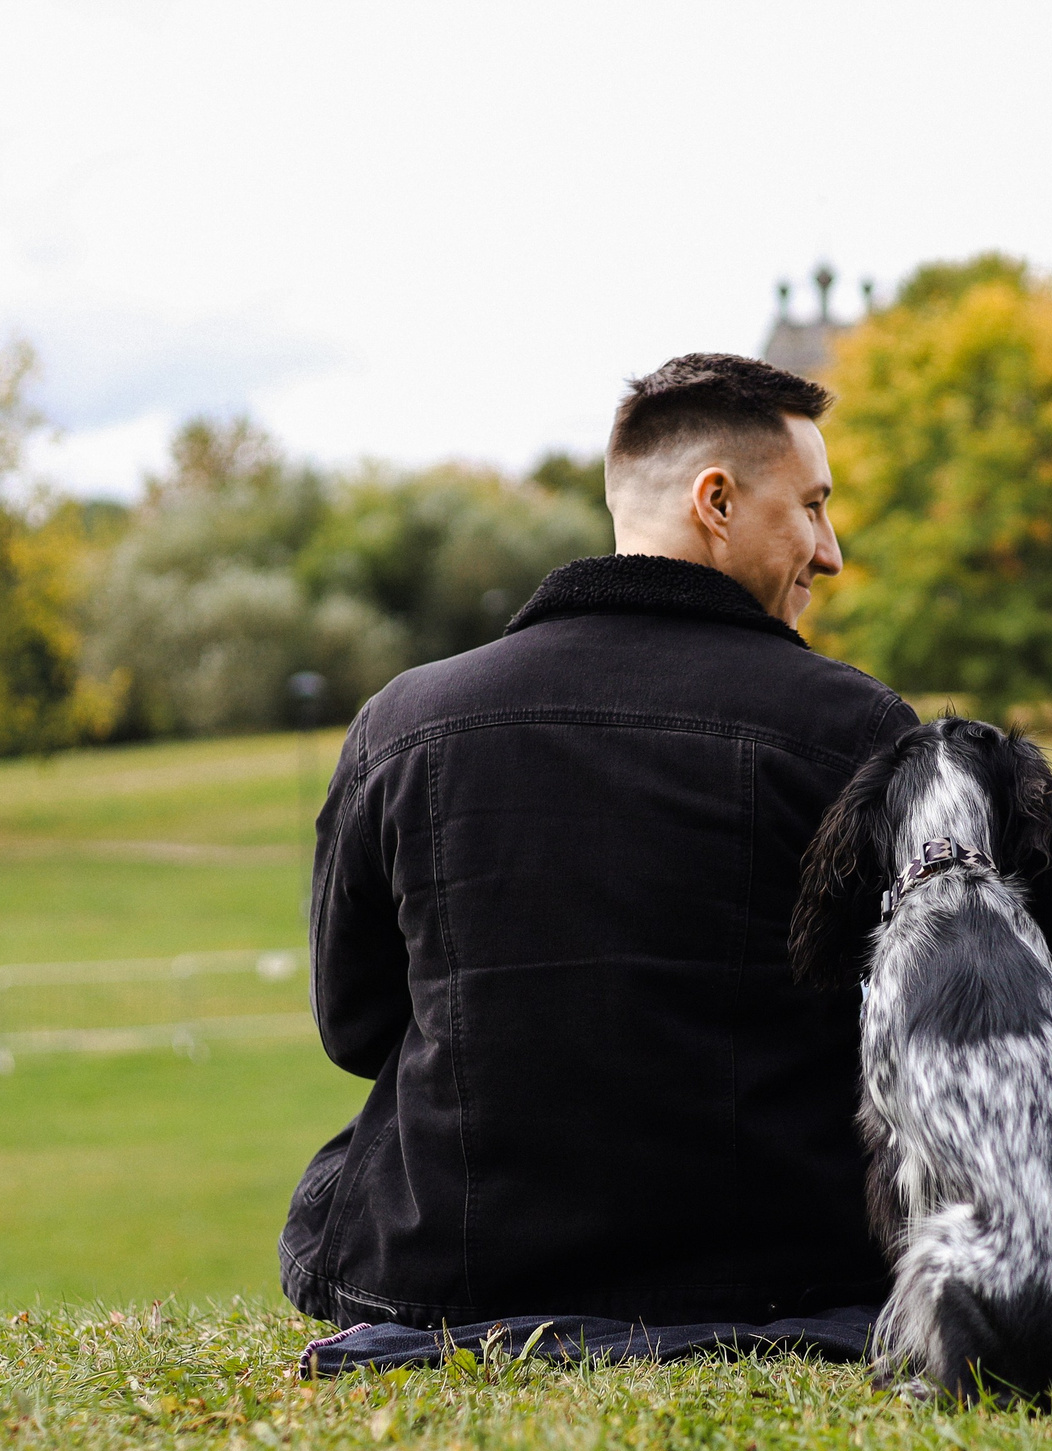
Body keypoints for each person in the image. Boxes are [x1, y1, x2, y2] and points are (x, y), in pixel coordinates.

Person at [281, 353, 915, 1329]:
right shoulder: (856, 730)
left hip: (448, 1265)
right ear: (717, 500)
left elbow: (355, 1024)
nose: (829, 551)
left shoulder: (406, 721)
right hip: (792, 1269)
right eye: (813, 506)